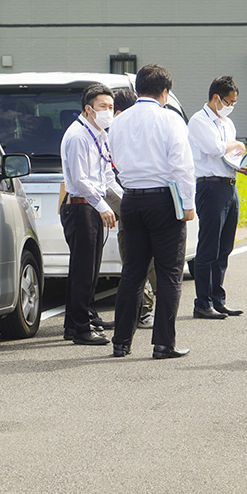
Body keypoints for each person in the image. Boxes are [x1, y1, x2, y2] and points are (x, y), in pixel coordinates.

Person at [108, 64, 196, 359]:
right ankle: (163, 343)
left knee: (132, 272)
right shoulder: (170, 119)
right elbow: (182, 165)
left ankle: (121, 342)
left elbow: (115, 160)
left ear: (137, 87)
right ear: (165, 92)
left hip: (131, 199)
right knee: (170, 272)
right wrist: (188, 203)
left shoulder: (119, 121)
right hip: (164, 199)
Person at [59, 83, 121, 345]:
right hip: (81, 205)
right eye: (103, 107)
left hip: (91, 205)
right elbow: (81, 179)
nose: (108, 111)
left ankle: (74, 324)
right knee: (84, 270)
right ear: (88, 109)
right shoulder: (77, 136)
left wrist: (122, 200)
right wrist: (103, 205)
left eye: (111, 107)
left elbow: (106, 175)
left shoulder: (99, 135)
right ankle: (83, 329)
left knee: (87, 269)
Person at [188, 75, 247, 319]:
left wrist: (243, 165)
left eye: (234, 102)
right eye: (229, 101)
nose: (231, 106)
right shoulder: (199, 120)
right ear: (216, 98)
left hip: (229, 186)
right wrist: (236, 144)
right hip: (209, 187)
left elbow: (231, 156)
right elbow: (215, 148)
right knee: (208, 247)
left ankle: (218, 299)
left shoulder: (227, 122)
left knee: (225, 246)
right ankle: (202, 303)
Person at [111, 88, 156, 329]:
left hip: (130, 203)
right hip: (131, 203)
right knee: (135, 260)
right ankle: (143, 308)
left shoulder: (123, 131)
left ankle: (145, 308)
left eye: (110, 109)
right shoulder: (126, 131)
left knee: (137, 261)